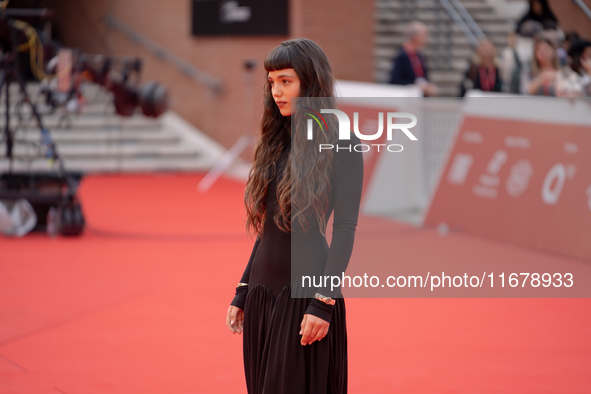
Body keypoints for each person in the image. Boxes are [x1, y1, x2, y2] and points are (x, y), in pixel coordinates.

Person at [225, 37, 364, 394]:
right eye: (272, 82)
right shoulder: (276, 139)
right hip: (261, 295)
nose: (277, 91)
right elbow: (269, 227)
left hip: (304, 295)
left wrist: (324, 302)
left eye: (286, 81)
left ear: (310, 81)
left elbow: (346, 229)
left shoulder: (341, 141)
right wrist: (242, 290)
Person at [389, 21, 438, 96]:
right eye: (424, 35)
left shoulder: (420, 55)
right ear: (416, 36)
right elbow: (395, 80)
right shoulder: (402, 56)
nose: (426, 38)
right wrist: (416, 86)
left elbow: (423, 77)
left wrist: (429, 86)